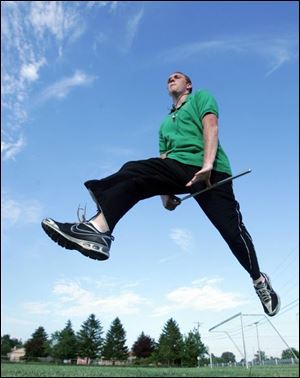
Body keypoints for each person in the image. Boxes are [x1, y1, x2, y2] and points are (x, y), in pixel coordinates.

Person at [42, 71, 280, 317]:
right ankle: (99, 229)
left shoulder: (201, 98)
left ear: (188, 85)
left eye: (178, 76)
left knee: (232, 233)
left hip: (211, 171)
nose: (171, 78)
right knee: (135, 172)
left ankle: (259, 280)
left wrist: (207, 164)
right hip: (178, 169)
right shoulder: (165, 125)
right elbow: (164, 160)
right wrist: (165, 196)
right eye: (169, 77)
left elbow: (211, 127)